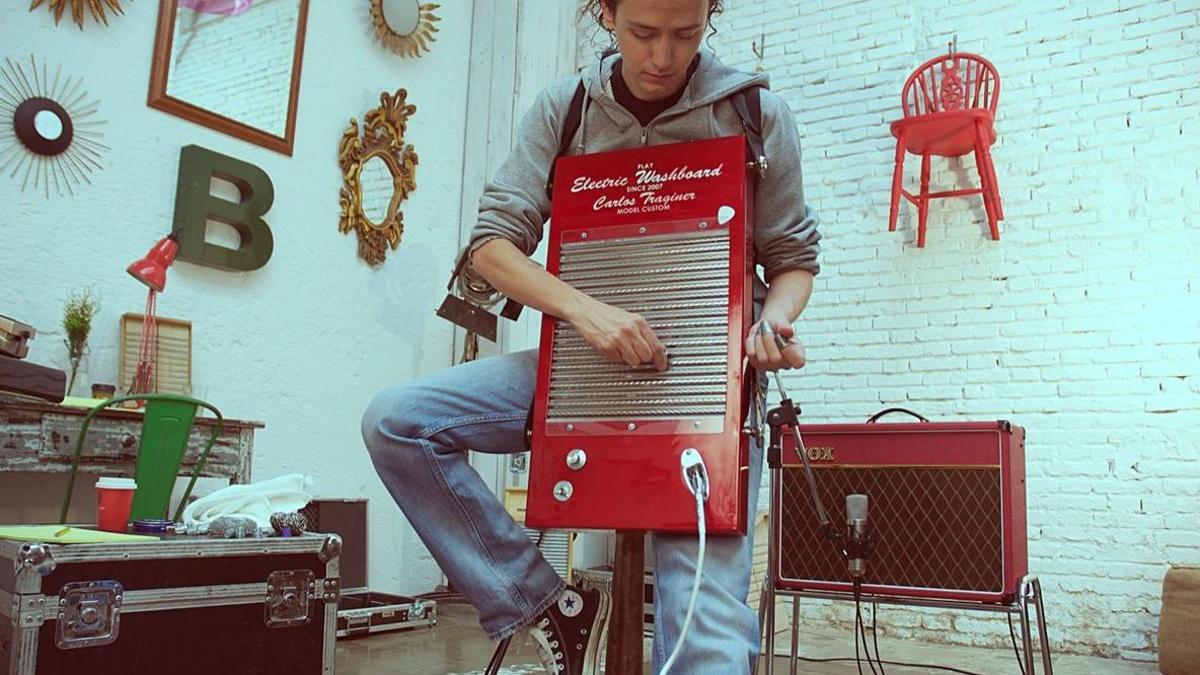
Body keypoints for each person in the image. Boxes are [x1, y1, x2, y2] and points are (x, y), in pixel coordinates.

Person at [361, 0, 820, 672]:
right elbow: (491, 246)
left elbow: (793, 260)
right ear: (605, 13)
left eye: (685, 34)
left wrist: (773, 320)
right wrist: (585, 311)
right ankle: (542, 600)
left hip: (707, 397)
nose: (662, 56)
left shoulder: (755, 117)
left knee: (707, 639)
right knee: (398, 422)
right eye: (642, 32)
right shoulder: (567, 110)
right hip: (577, 372)